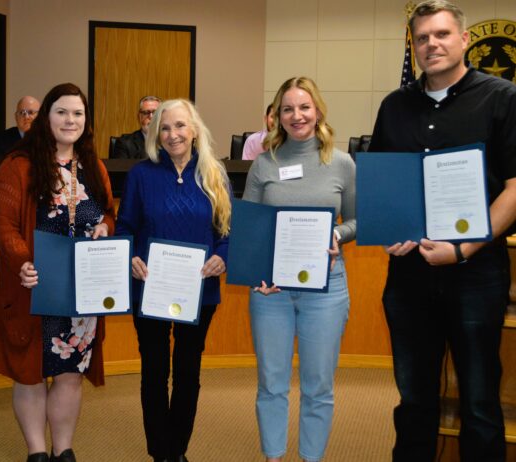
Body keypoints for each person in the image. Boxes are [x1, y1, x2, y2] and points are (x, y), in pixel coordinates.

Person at [368, 1, 516, 460]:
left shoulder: (502, 97)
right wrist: (389, 228)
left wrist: (463, 249)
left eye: (442, 34)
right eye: (422, 38)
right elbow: (384, 183)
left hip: (476, 273)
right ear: (413, 47)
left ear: (464, 39)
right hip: (409, 276)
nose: (431, 44)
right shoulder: (394, 106)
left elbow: (515, 188)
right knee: (413, 400)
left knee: (478, 401)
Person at [0, 83, 116, 462]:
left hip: (80, 293)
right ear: (47, 116)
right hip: (33, 287)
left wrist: (106, 226)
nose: (70, 120)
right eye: (62, 111)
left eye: (78, 113)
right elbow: (4, 225)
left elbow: (108, 211)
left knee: (70, 373)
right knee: (30, 375)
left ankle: (63, 450)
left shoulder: (92, 165)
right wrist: (22, 262)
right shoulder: (18, 165)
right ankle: (37, 452)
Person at [243, 77, 356, 462]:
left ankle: (312, 458)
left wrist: (338, 234)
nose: (297, 115)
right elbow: (249, 228)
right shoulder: (263, 163)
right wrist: (256, 273)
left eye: (304, 107)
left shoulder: (342, 163)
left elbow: (359, 220)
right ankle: (273, 457)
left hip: (325, 290)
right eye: (287, 108)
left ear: (318, 110)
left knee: (318, 386)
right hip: (270, 292)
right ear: (277, 116)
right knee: (271, 383)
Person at [116, 99, 231, 462]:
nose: (173, 134)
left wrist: (222, 258)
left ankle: (177, 449)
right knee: (153, 372)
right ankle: (160, 453)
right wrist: (130, 256)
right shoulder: (141, 174)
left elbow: (226, 232)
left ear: (194, 129)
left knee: (186, 372)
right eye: (164, 128)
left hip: (200, 290)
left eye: (180, 126)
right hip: (148, 286)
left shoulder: (214, 172)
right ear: (155, 134)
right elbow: (125, 227)